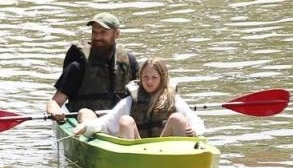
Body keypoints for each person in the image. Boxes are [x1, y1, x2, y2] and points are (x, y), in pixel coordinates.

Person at [73, 58, 205, 140]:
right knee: (125, 121)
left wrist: (195, 130)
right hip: (139, 151)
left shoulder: (174, 100)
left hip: (166, 151)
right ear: (140, 77)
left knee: (177, 119)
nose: (149, 82)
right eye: (145, 77)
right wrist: (86, 126)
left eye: (154, 78)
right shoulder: (130, 101)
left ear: (162, 79)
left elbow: (196, 121)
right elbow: (107, 122)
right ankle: (127, 167)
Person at [45, 12, 140, 121]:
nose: (97, 37)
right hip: (84, 120)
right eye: (94, 32)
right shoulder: (78, 66)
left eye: (103, 32)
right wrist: (54, 110)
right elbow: (55, 102)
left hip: (118, 122)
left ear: (116, 34)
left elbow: (144, 93)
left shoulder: (129, 62)